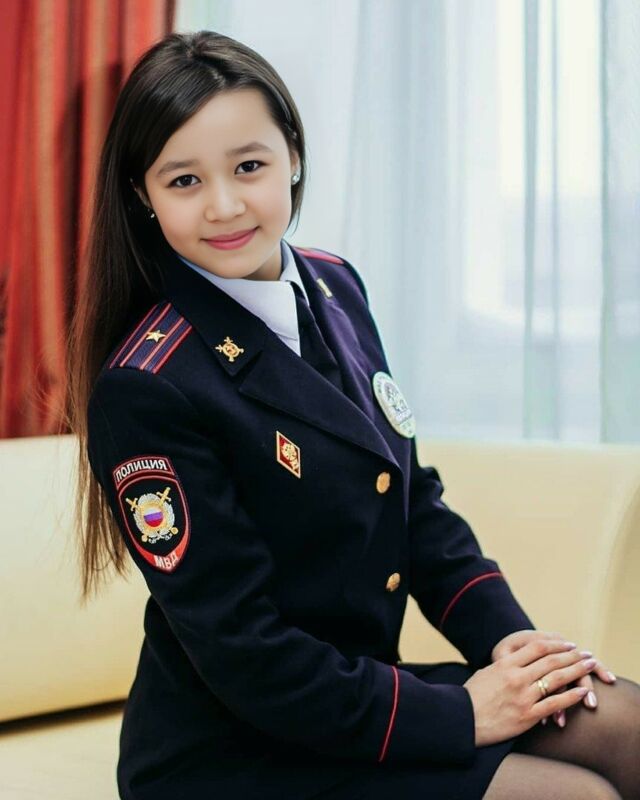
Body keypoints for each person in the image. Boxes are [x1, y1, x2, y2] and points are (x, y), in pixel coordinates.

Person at [65, 29, 640, 800]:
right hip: (233, 752)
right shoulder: (150, 384)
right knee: (575, 797)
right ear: (143, 194)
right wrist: (463, 714)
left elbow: (414, 506)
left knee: (623, 722)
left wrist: (514, 647)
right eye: (185, 181)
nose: (225, 205)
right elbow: (246, 653)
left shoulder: (336, 287)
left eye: (249, 166)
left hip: (355, 699)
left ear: (294, 156)